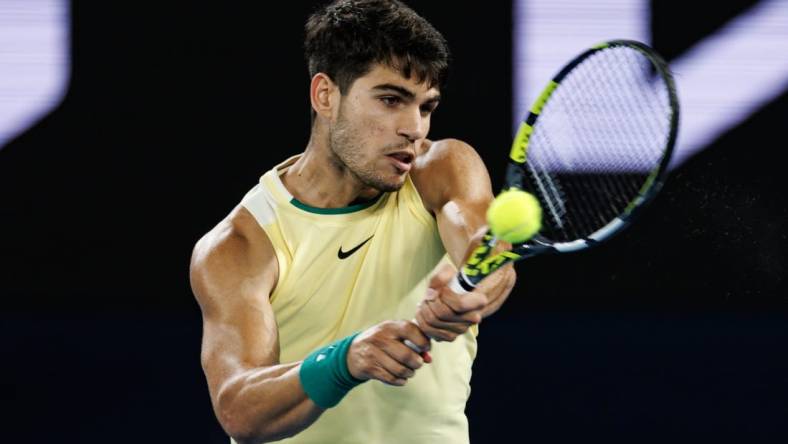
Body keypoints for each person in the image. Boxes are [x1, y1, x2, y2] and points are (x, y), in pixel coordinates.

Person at [189, 1, 516, 442]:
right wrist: (344, 362)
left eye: (426, 107)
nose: (414, 128)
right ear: (325, 95)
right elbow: (241, 410)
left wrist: (475, 289)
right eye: (390, 100)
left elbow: (486, 249)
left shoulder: (441, 169)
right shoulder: (243, 243)